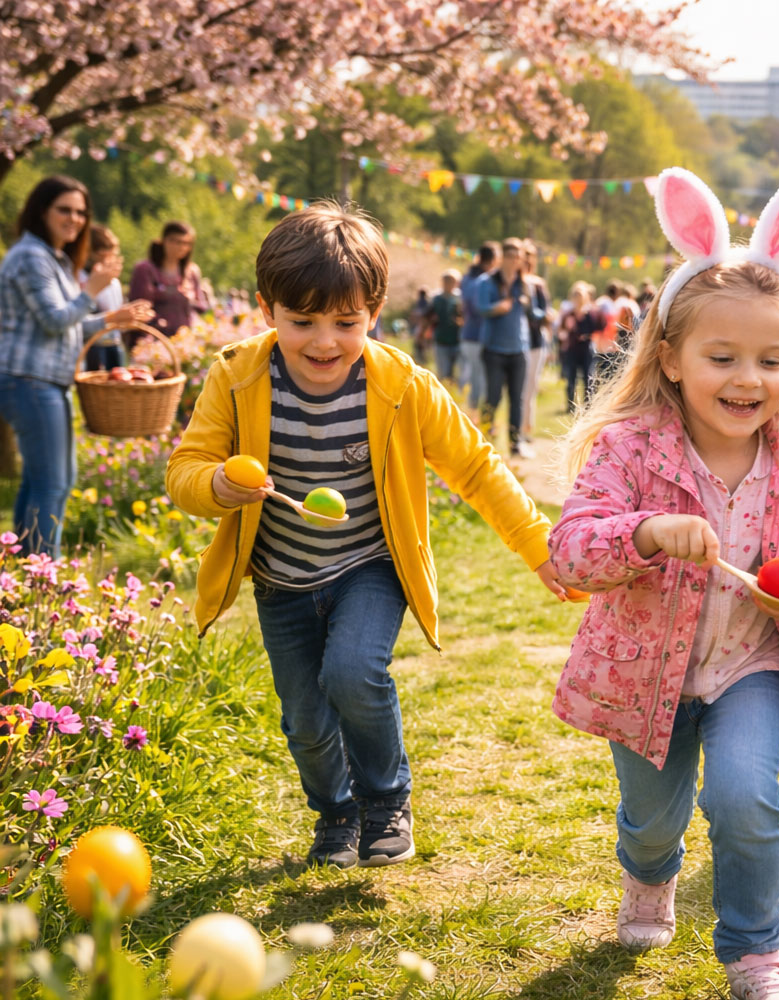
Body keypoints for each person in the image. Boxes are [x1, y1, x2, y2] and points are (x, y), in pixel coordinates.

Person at [549, 167, 779, 1000]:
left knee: (747, 797)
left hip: (751, 664)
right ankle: (649, 875)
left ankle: (758, 953)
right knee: (653, 821)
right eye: (723, 357)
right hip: (648, 672)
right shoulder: (632, 448)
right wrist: (641, 534)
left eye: (770, 359)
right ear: (672, 358)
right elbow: (570, 548)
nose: (747, 378)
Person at [166, 203, 569, 870]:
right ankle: (335, 816)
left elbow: (473, 465)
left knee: (354, 672)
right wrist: (217, 487)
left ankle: (386, 802)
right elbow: (185, 470)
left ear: (374, 312)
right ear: (268, 310)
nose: (324, 341)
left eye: (346, 323)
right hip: (282, 579)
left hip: (369, 567)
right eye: (303, 322)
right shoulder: (236, 376)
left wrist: (537, 545)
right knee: (304, 720)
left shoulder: (400, 385)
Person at [0, 175, 152, 555]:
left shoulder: (53, 257)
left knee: (44, 480)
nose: (75, 219)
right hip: (29, 380)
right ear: (41, 211)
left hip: (45, 381)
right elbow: (54, 319)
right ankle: (42, 574)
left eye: (81, 212)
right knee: (53, 483)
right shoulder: (31, 257)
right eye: (64, 210)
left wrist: (110, 320)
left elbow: (63, 323)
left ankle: (19, 567)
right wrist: (92, 290)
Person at [478, 238, 530, 456]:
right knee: (493, 397)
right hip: (494, 349)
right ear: (502, 258)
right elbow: (480, 308)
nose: (514, 260)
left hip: (519, 349)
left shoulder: (524, 284)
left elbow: (533, 311)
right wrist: (496, 308)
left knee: (516, 399)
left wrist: (536, 311)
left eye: (518, 257)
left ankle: (515, 444)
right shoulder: (487, 282)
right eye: (510, 256)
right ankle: (485, 441)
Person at [129, 220, 210, 340]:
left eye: (186, 243)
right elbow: (139, 306)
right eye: (177, 242)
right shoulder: (146, 269)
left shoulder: (191, 271)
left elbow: (202, 305)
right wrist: (159, 321)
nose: (182, 247)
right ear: (164, 241)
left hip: (184, 338)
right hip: (152, 338)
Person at [81, 223, 127, 371]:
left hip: (114, 343)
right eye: (102, 256)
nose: (108, 261)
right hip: (92, 346)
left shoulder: (114, 283)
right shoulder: (81, 279)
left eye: (112, 255)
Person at [518, 241, 550, 454]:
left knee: (529, 389)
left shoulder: (537, 284)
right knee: (520, 390)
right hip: (517, 342)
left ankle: (525, 430)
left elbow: (545, 313)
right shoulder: (510, 283)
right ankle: (518, 431)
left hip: (535, 342)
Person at [458, 243, 496, 414]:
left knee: (473, 378)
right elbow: (477, 308)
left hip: (467, 334)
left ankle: (473, 416)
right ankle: (475, 419)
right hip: (478, 336)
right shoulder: (482, 281)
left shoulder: (467, 277)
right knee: (480, 381)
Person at [558, 281, 598, 414]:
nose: (578, 298)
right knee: (571, 380)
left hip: (587, 350)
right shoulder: (568, 315)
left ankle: (588, 407)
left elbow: (598, 328)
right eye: (576, 295)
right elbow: (561, 331)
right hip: (572, 350)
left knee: (589, 379)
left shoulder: (591, 314)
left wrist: (588, 336)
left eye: (580, 295)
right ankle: (570, 406)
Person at [428, 269, 463, 382]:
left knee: (458, 374)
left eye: (452, 281)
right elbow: (428, 316)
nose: (449, 284)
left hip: (457, 339)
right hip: (441, 339)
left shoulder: (460, 298)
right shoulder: (436, 298)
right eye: (447, 281)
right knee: (443, 373)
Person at [407, 286, 432, 367]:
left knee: (419, 342)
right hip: (424, 325)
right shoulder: (427, 302)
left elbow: (418, 314)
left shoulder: (420, 302)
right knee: (422, 343)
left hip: (421, 325)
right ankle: (421, 358)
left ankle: (420, 358)